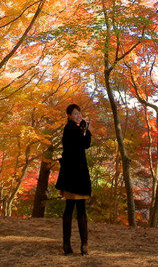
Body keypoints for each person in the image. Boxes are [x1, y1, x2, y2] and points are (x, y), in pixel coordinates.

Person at [55, 103, 92, 255]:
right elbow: (83, 144)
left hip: (73, 174)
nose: (78, 116)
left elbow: (86, 144)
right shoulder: (71, 128)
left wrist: (85, 129)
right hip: (75, 174)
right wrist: (85, 129)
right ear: (69, 116)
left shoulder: (74, 128)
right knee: (78, 209)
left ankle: (70, 245)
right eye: (75, 114)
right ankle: (82, 245)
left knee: (72, 208)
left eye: (79, 113)